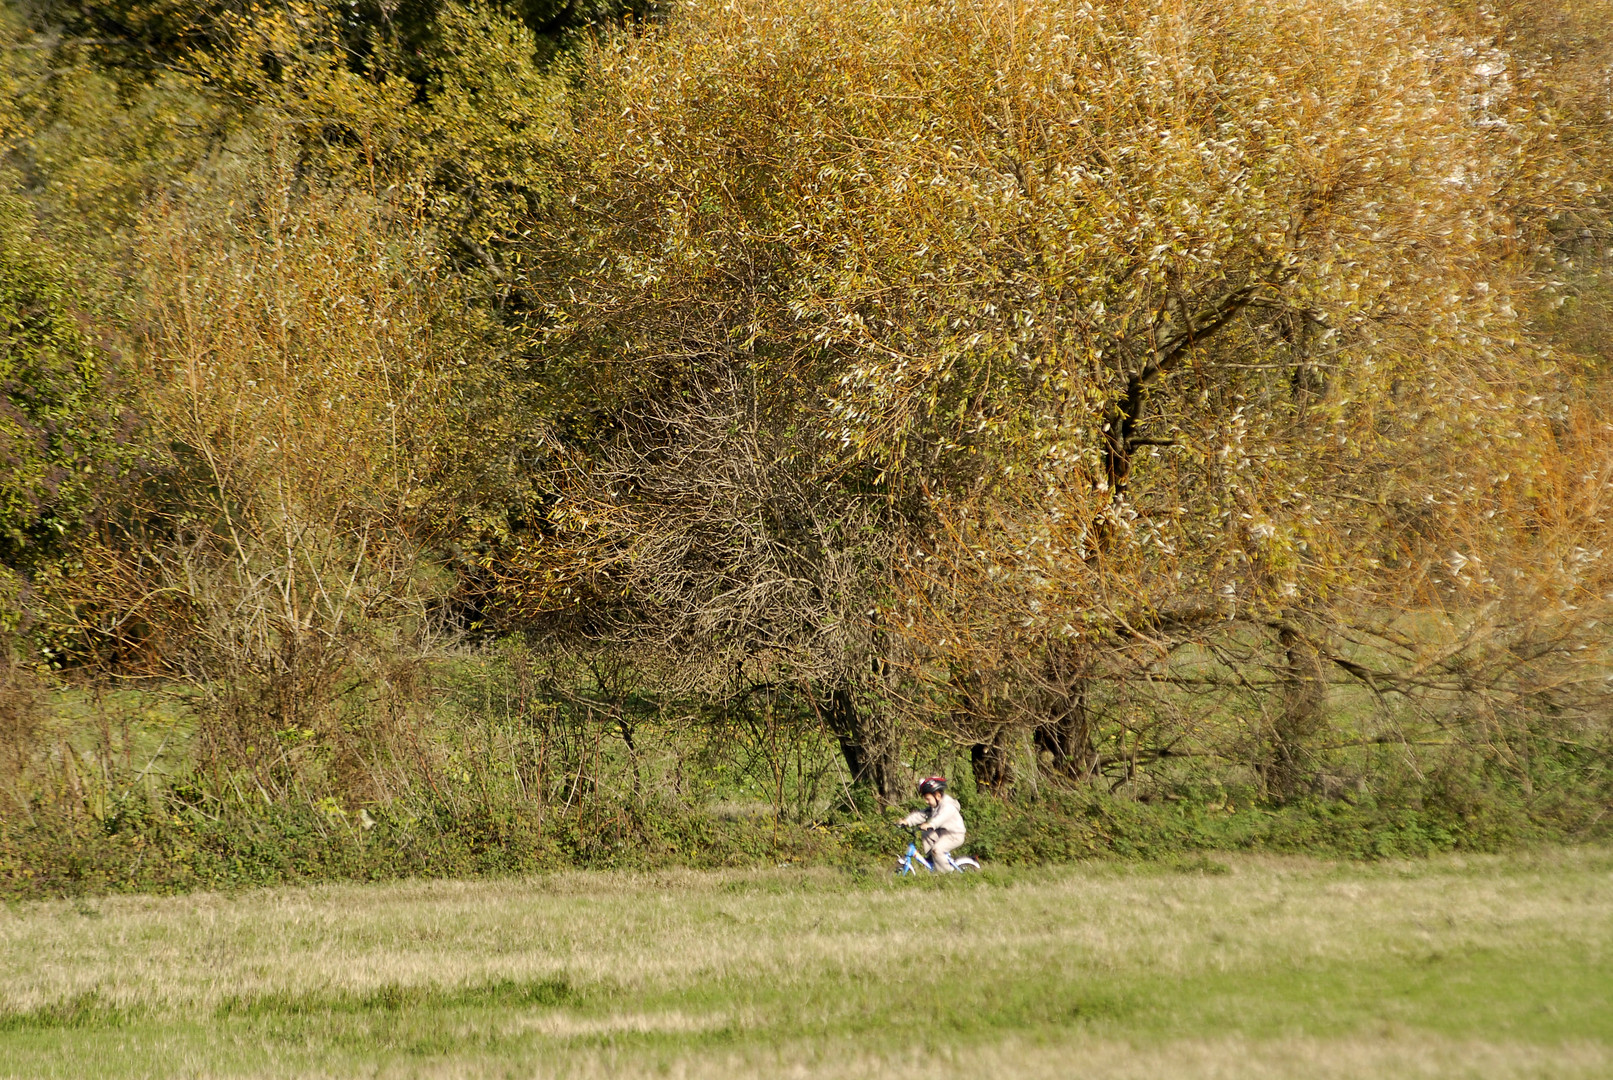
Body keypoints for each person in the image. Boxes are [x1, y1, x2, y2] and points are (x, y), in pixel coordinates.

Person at [900, 776, 966, 871]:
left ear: (938, 796)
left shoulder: (948, 806)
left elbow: (941, 818)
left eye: (928, 799)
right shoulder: (935, 806)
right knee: (926, 834)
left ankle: (945, 874)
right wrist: (907, 821)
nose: (926, 801)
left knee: (937, 850)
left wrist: (930, 824)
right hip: (942, 833)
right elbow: (922, 815)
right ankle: (934, 859)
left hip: (954, 835)